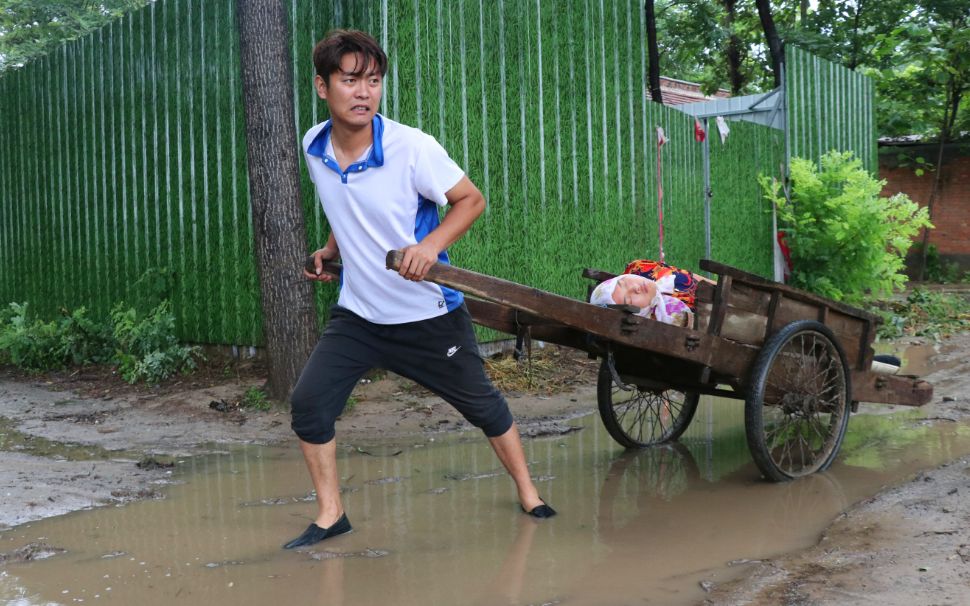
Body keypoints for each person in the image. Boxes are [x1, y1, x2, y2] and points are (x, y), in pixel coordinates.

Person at [284, 29, 555, 550]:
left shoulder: (413, 148)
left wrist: (429, 247)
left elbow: (471, 200)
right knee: (309, 404)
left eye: (374, 81)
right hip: (359, 316)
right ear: (323, 86)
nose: (363, 93)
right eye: (350, 81)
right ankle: (331, 513)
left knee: (482, 407)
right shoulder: (315, 146)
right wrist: (331, 250)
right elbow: (348, 209)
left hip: (427, 313)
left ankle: (528, 491)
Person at [590, 273, 694, 328]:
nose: (635, 288)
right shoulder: (665, 320)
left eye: (624, 283)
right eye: (629, 299)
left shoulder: (663, 284)